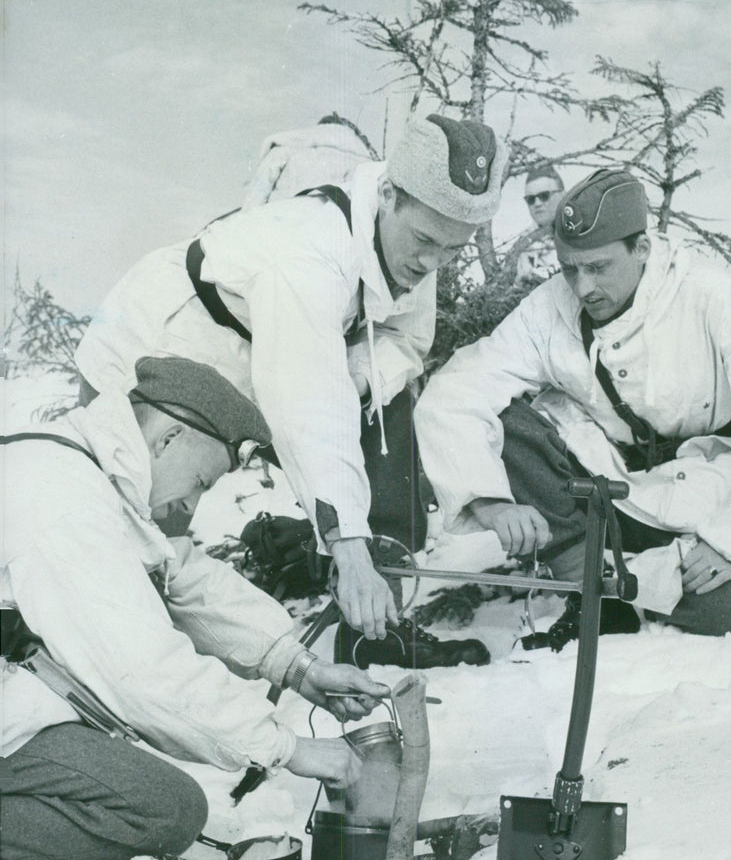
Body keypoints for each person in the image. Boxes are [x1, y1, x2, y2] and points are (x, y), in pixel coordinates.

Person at [75, 114, 507, 668]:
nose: (431, 264)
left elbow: (406, 341)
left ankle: (375, 625)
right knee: (148, 536)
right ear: (388, 194)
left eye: (452, 251)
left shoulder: (418, 241)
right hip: (150, 352)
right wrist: (348, 547)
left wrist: (355, 379)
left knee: (387, 406)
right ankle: (122, 666)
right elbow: (309, 412)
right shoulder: (309, 253)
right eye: (425, 241)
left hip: (254, 363)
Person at [0, 356, 388, 860]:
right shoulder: (62, 497)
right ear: (169, 438)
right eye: (202, 480)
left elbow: (178, 574)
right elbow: (139, 669)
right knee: (162, 811)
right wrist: (286, 748)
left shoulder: (87, 470)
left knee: (155, 801)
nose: (194, 500)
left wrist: (299, 667)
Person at [415, 168, 731, 642]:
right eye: (570, 268)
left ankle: (629, 579)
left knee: (724, 612)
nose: (582, 288)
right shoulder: (549, 306)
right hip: (609, 484)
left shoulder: (710, 293)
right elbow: (455, 391)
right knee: (508, 422)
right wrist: (489, 501)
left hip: (713, 485)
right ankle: (588, 585)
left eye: (598, 267)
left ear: (641, 248)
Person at [514, 163, 564, 289]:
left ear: (563, 195)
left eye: (544, 196)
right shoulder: (524, 243)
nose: (537, 203)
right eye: (530, 199)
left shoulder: (582, 229)